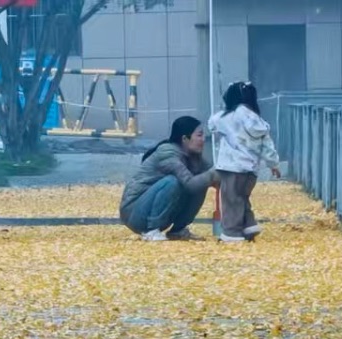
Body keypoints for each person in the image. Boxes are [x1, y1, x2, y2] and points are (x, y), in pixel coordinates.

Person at [119, 116, 219, 242]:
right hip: (134, 213)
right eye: (199, 135)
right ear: (185, 138)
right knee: (173, 182)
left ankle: (178, 230)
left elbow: (214, 178)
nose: (203, 139)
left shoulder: (193, 156)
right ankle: (151, 231)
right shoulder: (168, 153)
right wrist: (213, 174)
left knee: (201, 183)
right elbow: (191, 183)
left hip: (158, 213)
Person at [207, 82, 280, 243]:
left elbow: (211, 124)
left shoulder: (226, 117)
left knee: (231, 200)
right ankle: (249, 226)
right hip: (251, 170)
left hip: (231, 167)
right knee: (241, 197)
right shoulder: (257, 120)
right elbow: (267, 145)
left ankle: (231, 234)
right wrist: (273, 164)